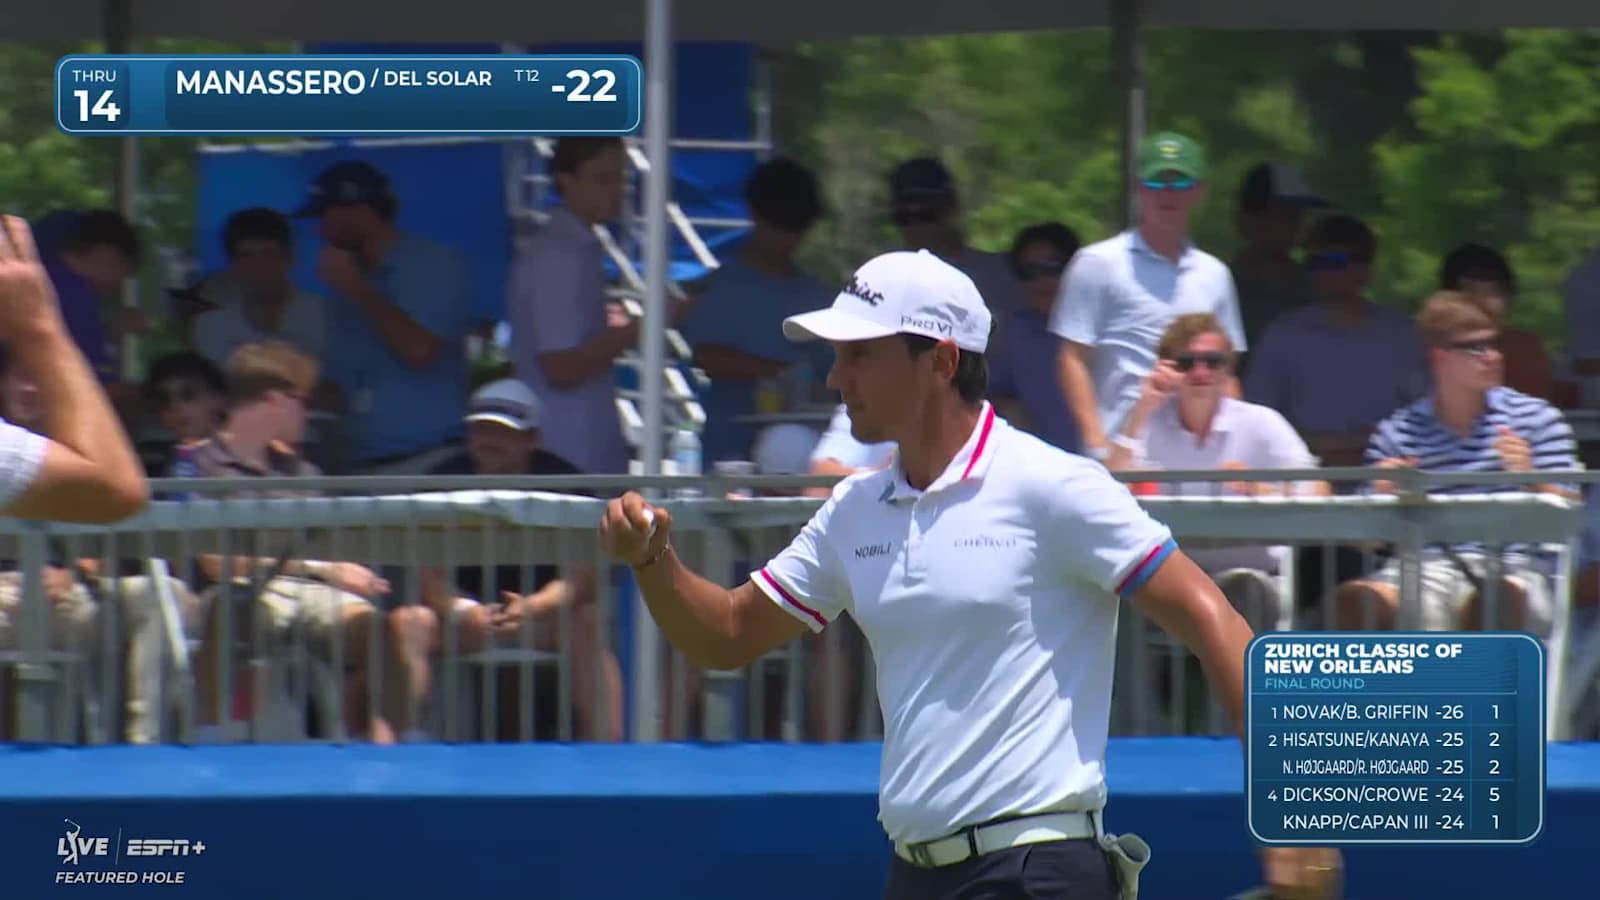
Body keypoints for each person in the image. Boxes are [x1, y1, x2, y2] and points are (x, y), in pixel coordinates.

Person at [598, 249, 1341, 899]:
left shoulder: (1052, 485)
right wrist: (653, 561)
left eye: (860, 355)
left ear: (941, 362)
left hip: (1040, 875)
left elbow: (1219, 622)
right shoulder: (853, 508)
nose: (834, 377)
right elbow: (726, 635)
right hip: (915, 874)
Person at [185, 341, 407, 743]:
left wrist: (342, 569)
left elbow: (328, 545)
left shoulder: (301, 470)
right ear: (276, 400)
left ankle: (385, 760)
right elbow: (216, 564)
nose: (309, 415)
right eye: (304, 402)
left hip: (311, 594)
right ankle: (210, 749)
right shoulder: (198, 465)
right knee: (230, 613)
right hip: (240, 592)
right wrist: (320, 568)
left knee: (381, 632)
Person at [387, 378, 623, 742]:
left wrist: (534, 606)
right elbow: (427, 573)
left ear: (531, 439)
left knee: (586, 624)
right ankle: (393, 754)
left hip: (541, 617)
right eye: (481, 429)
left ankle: (610, 756)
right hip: (462, 618)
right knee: (407, 622)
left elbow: (585, 576)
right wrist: (465, 610)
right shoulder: (439, 482)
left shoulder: (568, 485)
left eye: (504, 433)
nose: (489, 441)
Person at [1333, 291, 1579, 634]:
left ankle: (1471, 687)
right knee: (1355, 601)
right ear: (1440, 358)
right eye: (1475, 348)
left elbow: (1572, 514)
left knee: (1494, 601)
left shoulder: (1537, 419)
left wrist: (1532, 477)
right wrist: (1379, 494)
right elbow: (1366, 540)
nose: (1492, 356)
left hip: (1517, 567)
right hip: (1423, 567)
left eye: (1494, 344)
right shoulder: (1399, 431)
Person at [1106, 313, 1325, 635]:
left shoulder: (1262, 422)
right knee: (1124, 592)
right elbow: (1104, 489)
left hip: (1248, 575)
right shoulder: (1146, 422)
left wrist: (1260, 490)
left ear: (1228, 369)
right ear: (1167, 368)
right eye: (1186, 362)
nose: (1200, 372)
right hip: (1171, 577)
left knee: (1243, 589)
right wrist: (1142, 407)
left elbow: (1319, 490)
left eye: (1213, 361)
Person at [1051, 132, 1246, 463]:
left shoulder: (1215, 274)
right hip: (1122, 453)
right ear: (1138, 189)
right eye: (1156, 183)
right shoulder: (1097, 263)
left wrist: (1237, 444)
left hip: (1198, 457)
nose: (1168, 194)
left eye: (1180, 184)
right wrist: (1097, 443)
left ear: (1200, 192)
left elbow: (1225, 368)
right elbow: (1072, 359)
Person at [295, 160, 473, 474]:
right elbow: (338, 379)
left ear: (359, 212)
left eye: (325, 215)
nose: (320, 230)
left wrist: (356, 289)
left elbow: (419, 350)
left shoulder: (434, 265)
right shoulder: (344, 284)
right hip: (356, 466)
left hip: (428, 461)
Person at [680, 158, 833, 465]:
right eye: (781, 222)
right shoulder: (717, 289)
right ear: (754, 214)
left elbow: (836, 374)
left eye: (798, 225)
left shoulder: (818, 297)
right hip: (730, 461)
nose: (789, 237)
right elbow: (706, 356)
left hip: (802, 463)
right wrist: (780, 374)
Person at [1244, 214, 1426, 468]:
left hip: (1389, 476)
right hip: (1306, 477)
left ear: (1366, 270)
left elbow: (1428, 417)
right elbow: (1256, 421)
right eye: (1313, 262)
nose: (1321, 271)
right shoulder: (1282, 335)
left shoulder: (1403, 335)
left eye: (1333, 261)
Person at [0, 216, 147, 524]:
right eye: (124, 271)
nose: (119, 283)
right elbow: (114, 490)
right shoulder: (65, 292)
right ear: (105, 254)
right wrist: (40, 328)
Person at [509, 137, 635, 475]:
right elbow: (561, 365)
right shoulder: (559, 254)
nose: (617, 190)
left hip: (577, 453)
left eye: (621, 178)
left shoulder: (574, 248)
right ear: (567, 180)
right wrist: (642, 329)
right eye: (603, 179)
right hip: (567, 456)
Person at [887, 157, 1026, 320]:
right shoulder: (887, 283)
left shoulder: (1002, 276)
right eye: (905, 217)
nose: (917, 227)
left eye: (927, 214)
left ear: (952, 207)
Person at [191, 207, 327, 370]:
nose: (259, 266)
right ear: (233, 265)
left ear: (289, 258)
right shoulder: (211, 325)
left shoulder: (324, 316)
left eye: (269, 254)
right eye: (247, 256)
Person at [988, 222, 1082, 453]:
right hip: (1043, 466)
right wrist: (1010, 409)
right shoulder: (1016, 332)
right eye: (1028, 272)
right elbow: (991, 394)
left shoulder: (1105, 327)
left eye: (1051, 268)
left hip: (1107, 465)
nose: (1041, 281)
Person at [1228, 162, 1326, 358]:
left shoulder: (1317, 291)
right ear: (1248, 219)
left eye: (1299, 215)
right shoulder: (1220, 286)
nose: (1296, 225)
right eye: (1283, 215)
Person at [1438, 242, 1554, 401]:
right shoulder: (1429, 350)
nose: (1483, 307)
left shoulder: (1525, 349)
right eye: (1471, 294)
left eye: (1494, 294)